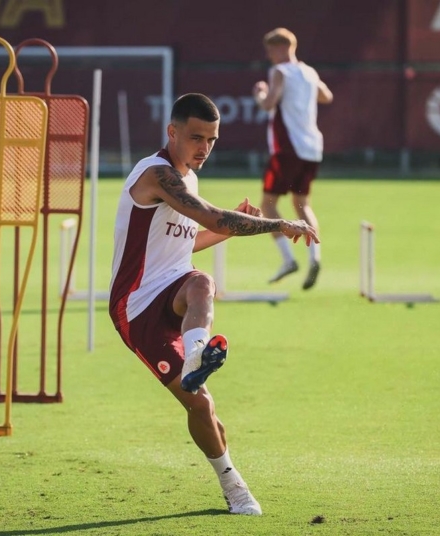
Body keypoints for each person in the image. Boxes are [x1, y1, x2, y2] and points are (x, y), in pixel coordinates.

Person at [108, 93, 318, 516]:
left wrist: (226, 229)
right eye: (195, 137)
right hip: (136, 306)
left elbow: (187, 243)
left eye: (212, 139)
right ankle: (233, 483)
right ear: (172, 133)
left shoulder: (187, 178)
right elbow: (210, 217)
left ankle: (196, 357)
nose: (204, 148)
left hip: (174, 286)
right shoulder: (157, 175)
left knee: (204, 282)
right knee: (202, 406)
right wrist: (277, 223)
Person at [252, 27, 333, 290]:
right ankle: (315, 257)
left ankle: (288, 259)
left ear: (280, 48)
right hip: (312, 147)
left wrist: (260, 92)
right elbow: (326, 96)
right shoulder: (309, 72)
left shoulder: (280, 72)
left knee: (268, 204)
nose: (269, 56)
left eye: (270, 50)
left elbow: (268, 103)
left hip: (288, 148)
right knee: (302, 204)